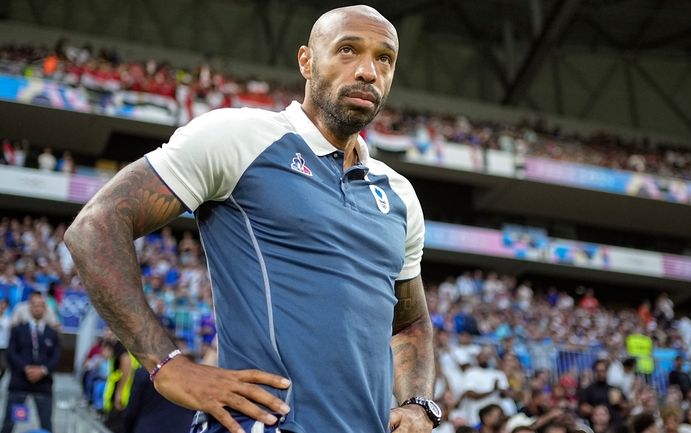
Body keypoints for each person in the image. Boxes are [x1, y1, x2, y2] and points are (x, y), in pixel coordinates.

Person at [65, 5, 436, 433]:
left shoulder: (398, 193)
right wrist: (168, 366)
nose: (368, 71)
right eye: (348, 51)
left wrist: (418, 404)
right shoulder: (240, 137)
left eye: (384, 57)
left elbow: (410, 323)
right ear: (306, 61)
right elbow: (96, 226)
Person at [1, 292, 61, 433]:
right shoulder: (18, 329)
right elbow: (11, 352)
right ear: (29, 307)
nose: (38, 309)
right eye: (35, 305)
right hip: (19, 382)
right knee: (9, 423)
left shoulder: (52, 332)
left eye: (41, 306)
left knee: (46, 423)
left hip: (43, 383)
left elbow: (56, 356)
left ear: (45, 308)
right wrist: (25, 368)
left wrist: (43, 370)